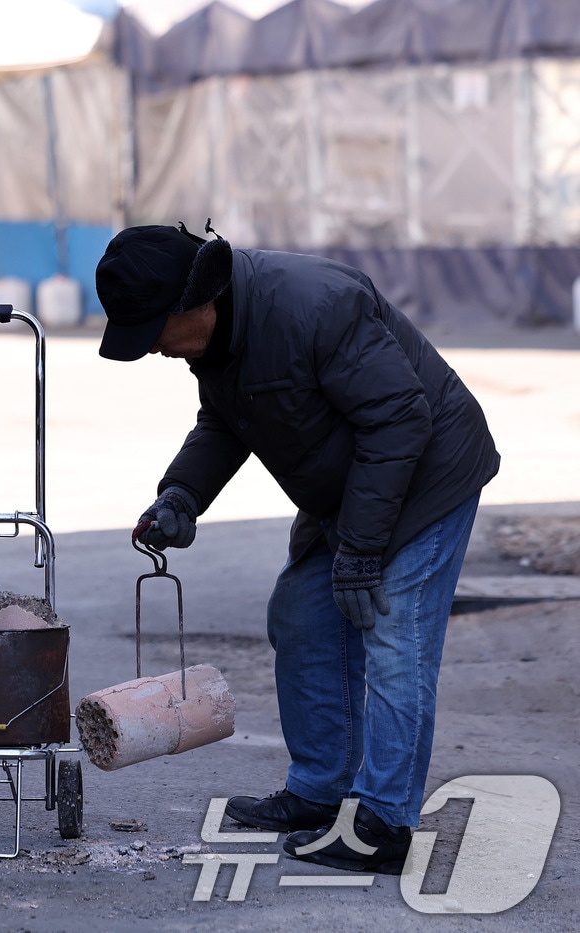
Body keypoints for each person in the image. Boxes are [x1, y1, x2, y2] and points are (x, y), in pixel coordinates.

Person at [95, 222, 499, 874]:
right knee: (303, 613)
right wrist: (181, 495)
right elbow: (224, 422)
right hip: (352, 490)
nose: (152, 351)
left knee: (393, 634)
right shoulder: (219, 338)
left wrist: (363, 551)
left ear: (196, 301)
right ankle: (322, 789)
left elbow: (401, 416)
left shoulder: (313, 305)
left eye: (152, 332)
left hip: (427, 478)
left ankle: (385, 822)